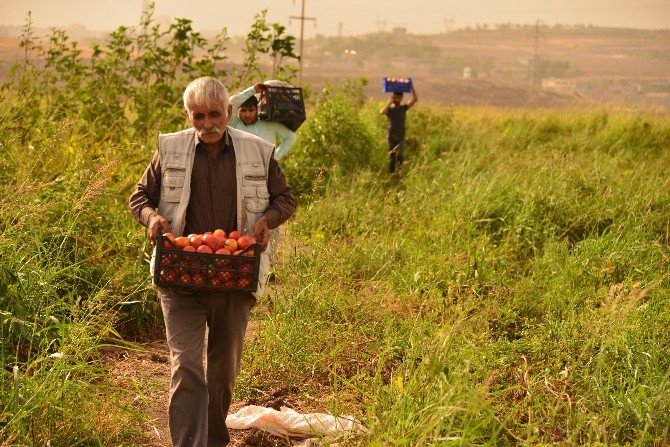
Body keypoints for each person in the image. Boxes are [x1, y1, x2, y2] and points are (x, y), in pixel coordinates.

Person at [128, 76, 296, 447]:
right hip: (180, 274)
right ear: (188, 115)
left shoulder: (258, 151)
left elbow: (285, 198)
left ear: (230, 112)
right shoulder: (170, 149)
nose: (207, 124)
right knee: (187, 365)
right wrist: (152, 219)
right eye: (198, 116)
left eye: (215, 115)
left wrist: (267, 219)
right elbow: (140, 196)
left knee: (222, 373)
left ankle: (214, 440)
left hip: (235, 275)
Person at [229, 82, 297, 161]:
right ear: (238, 111)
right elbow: (231, 103)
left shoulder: (269, 123)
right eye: (243, 110)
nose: (247, 114)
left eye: (251, 110)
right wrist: (253, 90)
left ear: (257, 109)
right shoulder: (235, 124)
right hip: (243, 171)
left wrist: (275, 157)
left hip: (268, 171)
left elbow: (291, 138)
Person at [379, 85, 418, 173]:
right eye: (396, 97)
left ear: (401, 98)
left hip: (401, 137)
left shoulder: (403, 108)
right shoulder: (390, 110)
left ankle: (399, 174)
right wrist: (390, 102)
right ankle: (392, 175)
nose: (397, 99)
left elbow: (415, 99)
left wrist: (411, 87)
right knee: (392, 158)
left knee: (400, 156)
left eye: (399, 97)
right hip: (391, 137)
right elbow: (381, 112)